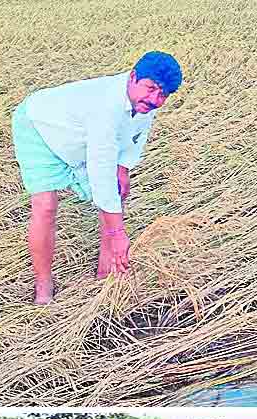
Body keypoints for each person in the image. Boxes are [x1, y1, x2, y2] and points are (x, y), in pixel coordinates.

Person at [11, 51, 182, 304]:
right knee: (45, 205)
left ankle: (106, 272)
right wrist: (118, 233)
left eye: (163, 95)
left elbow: (136, 135)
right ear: (133, 77)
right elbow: (101, 169)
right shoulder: (105, 106)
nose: (156, 99)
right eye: (151, 88)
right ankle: (43, 285)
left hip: (78, 133)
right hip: (40, 127)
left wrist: (123, 168)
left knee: (117, 189)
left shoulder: (146, 102)